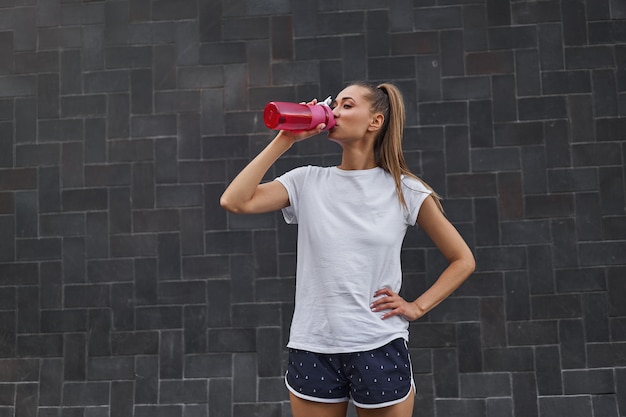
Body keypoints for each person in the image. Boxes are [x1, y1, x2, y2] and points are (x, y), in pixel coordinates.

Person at [220, 82, 475, 417]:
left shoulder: (405, 190)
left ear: (375, 121)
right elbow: (234, 201)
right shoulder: (306, 181)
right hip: (313, 346)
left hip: (378, 345)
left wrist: (416, 307)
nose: (334, 111)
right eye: (334, 104)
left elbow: (462, 260)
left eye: (347, 105)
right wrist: (285, 139)